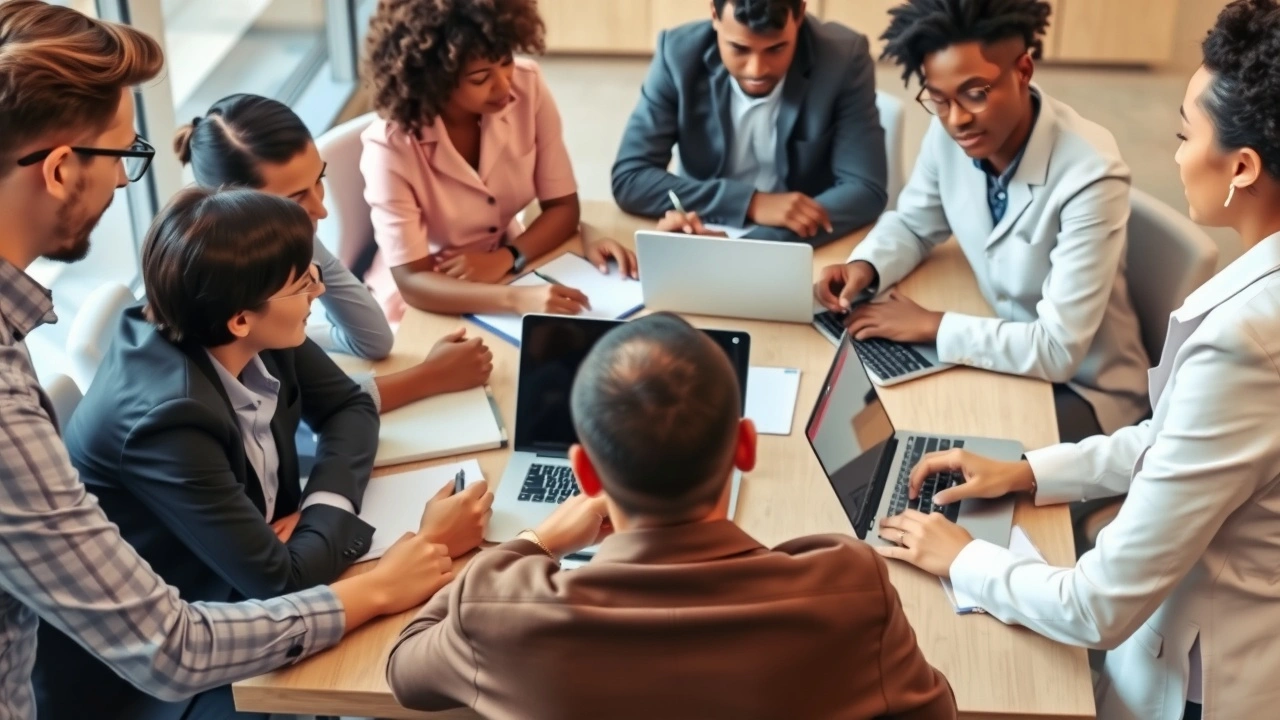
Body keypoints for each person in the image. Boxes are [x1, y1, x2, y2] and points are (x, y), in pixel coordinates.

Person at [0, 2, 451, 718]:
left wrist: (309, 526)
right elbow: (168, 645)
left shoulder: (25, 336)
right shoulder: (72, 396)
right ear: (58, 169)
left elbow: (353, 403)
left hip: (211, 608)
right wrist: (372, 587)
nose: (126, 182)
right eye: (123, 156)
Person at [875, 2, 1280, 718]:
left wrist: (962, 558)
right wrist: (1030, 471)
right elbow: (1178, 438)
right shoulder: (1254, 306)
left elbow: (1096, 607)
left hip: (1200, 681)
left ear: (1241, 167)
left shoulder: (1248, 340)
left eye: (1187, 133)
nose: (1178, 152)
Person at [385, 313, 956, 719]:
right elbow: (934, 712)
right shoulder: (849, 585)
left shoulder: (496, 607)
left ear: (586, 477)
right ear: (745, 448)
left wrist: (532, 541)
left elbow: (406, 669)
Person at [813, 0, 1150, 445]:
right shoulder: (951, 131)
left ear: (1024, 71)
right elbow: (916, 223)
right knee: (894, 417)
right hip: (1003, 347)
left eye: (976, 93)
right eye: (938, 98)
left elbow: (1058, 349)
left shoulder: (1091, 174)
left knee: (942, 454)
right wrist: (867, 267)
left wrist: (933, 325)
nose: (957, 119)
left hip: (1082, 390)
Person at [176, 93, 494, 414]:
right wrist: (432, 375)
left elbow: (373, 340)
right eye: (295, 198)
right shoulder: (222, 290)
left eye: (319, 180)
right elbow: (306, 404)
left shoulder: (287, 241)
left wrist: (305, 331)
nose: (321, 209)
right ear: (234, 205)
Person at [360, 0, 636, 323]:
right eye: (480, 78)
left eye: (505, 61)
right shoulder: (390, 146)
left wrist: (508, 258)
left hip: (511, 266)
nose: (505, 84)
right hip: (432, 296)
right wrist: (515, 299)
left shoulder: (527, 85)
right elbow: (412, 282)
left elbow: (563, 208)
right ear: (434, 78)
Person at [611, 0, 888, 245]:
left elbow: (865, 189)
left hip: (798, 244)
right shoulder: (677, 54)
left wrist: (746, 245)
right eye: (739, 48)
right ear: (714, 15)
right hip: (701, 228)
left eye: (776, 48)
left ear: (800, 14)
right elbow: (630, 177)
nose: (757, 69)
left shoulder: (844, 57)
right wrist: (750, 203)